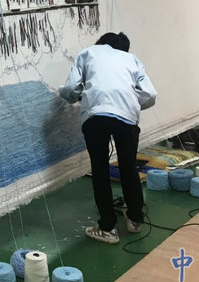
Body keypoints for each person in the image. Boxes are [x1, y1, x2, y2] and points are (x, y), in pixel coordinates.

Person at [59, 32, 157, 244]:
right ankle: (135, 220)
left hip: (96, 116)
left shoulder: (88, 53)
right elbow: (150, 94)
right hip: (127, 116)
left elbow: (70, 88)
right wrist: (128, 103)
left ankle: (107, 229)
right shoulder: (131, 59)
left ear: (101, 43)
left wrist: (70, 96)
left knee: (100, 170)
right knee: (128, 167)